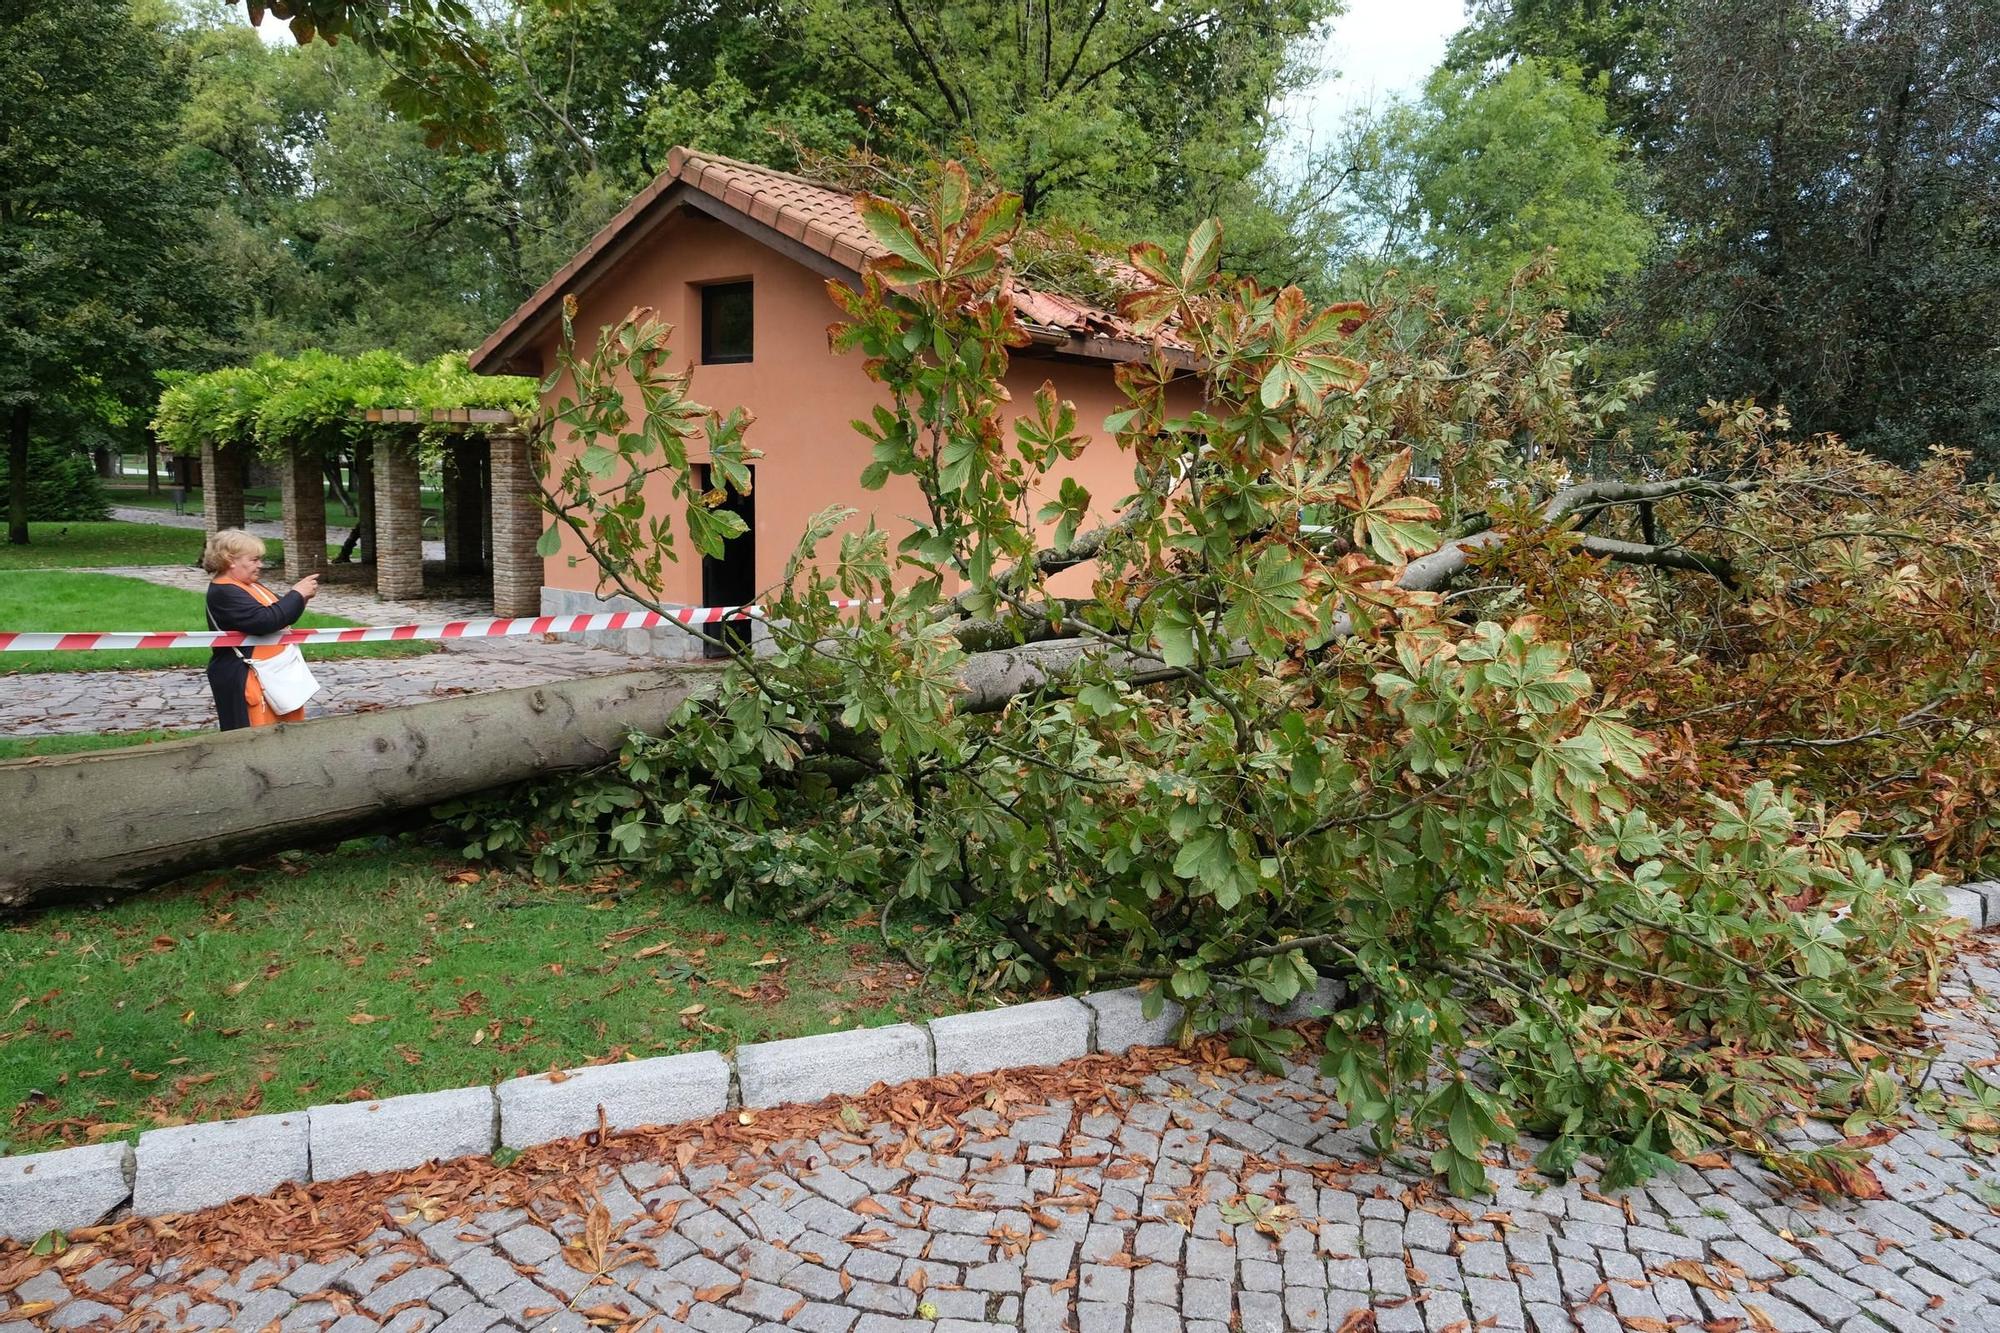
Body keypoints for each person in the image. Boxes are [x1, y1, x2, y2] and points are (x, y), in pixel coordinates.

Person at [202, 529, 319, 731]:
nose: (260, 565)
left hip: (274, 675)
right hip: (248, 677)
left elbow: (281, 614)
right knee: (256, 737)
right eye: (254, 560)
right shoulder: (224, 591)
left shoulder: (248, 585)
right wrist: (297, 594)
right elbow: (264, 621)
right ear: (230, 560)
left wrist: (302, 597)